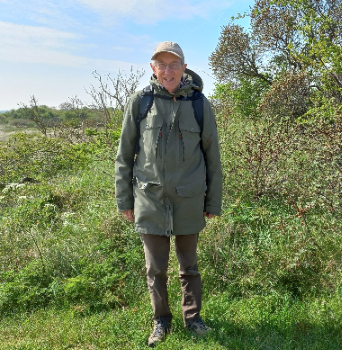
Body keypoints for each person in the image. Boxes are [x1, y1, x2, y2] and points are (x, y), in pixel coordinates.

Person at [115, 41, 222, 347]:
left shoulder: (199, 104)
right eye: (161, 64)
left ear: (184, 67)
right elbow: (124, 156)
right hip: (149, 199)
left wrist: (212, 201)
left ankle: (193, 319)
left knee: (189, 267)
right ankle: (161, 320)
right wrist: (125, 200)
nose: (168, 70)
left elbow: (212, 157)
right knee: (155, 269)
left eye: (173, 64)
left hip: (189, 198)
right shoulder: (140, 102)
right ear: (153, 68)